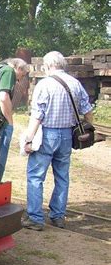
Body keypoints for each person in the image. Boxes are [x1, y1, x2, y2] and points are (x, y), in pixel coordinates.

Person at [22, 51, 93, 231]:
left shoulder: (44, 84)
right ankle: (58, 216)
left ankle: (36, 218)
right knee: (62, 177)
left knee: (36, 177)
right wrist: (88, 128)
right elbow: (87, 109)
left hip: (47, 134)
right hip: (67, 136)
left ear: (47, 66)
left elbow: (38, 115)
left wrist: (29, 139)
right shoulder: (75, 83)